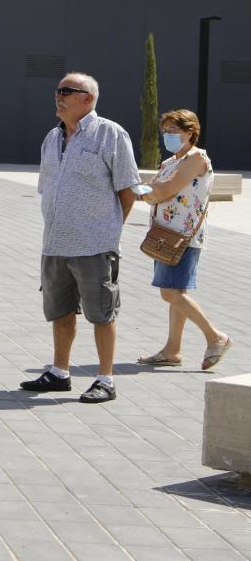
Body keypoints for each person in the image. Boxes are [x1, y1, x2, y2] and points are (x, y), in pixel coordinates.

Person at [20, 72, 140, 404]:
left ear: (87, 99)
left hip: (94, 246)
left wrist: (109, 233)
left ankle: (106, 379)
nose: (58, 96)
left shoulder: (110, 134)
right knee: (60, 312)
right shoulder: (51, 138)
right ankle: (60, 372)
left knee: (102, 313)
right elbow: (47, 187)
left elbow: (128, 192)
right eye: (57, 90)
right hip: (55, 244)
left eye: (67, 91)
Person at [136, 110, 232, 369]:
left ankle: (216, 337)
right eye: (165, 131)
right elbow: (150, 189)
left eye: (173, 132)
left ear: (190, 133)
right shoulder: (169, 163)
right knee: (176, 292)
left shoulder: (197, 159)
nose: (168, 136)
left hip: (183, 236)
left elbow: (162, 190)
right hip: (164, 234)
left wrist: (149, 192)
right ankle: (172, 350)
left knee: (169, 293)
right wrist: (150, 192)